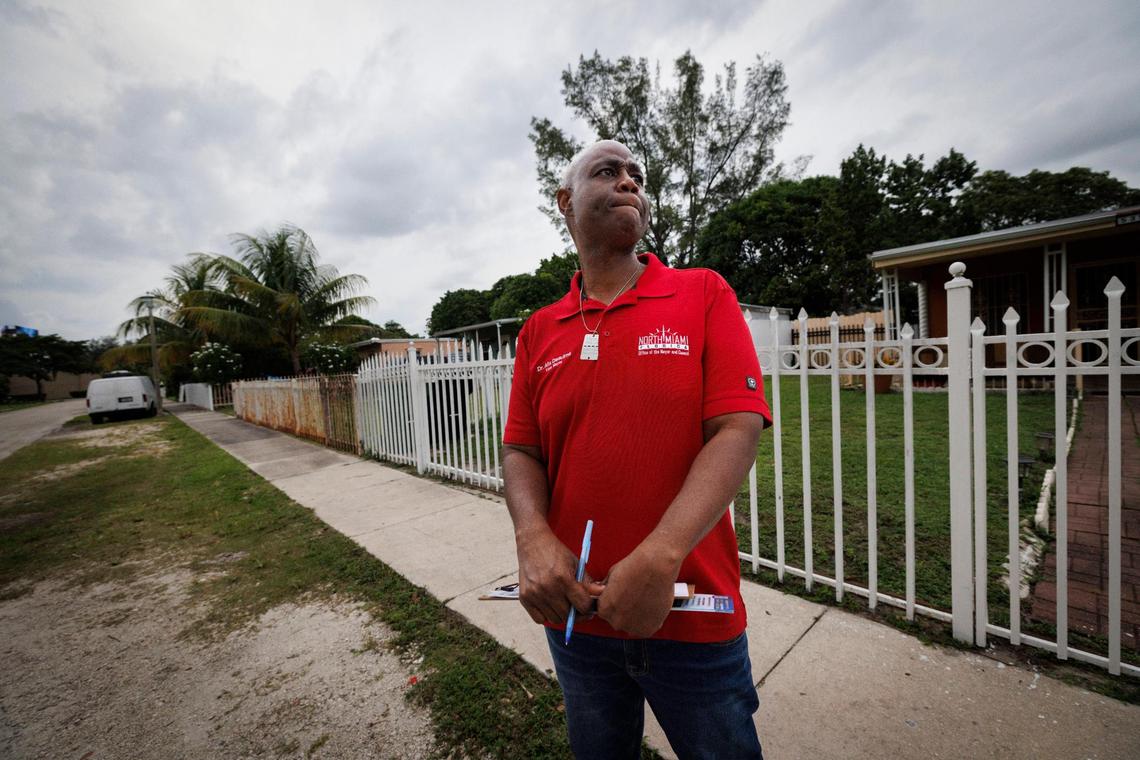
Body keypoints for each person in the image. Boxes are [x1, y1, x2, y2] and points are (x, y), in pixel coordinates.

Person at [502, 139, 771, 760]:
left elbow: (737, 427)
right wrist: (533, 538)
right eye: (608, 171)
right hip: (575, 616)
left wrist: (661, 555)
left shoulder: (701, 294)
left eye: (636, 175)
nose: (629, 182)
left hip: (691, 611)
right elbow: (521, 449)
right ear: (565, 202)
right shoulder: (540, 330)